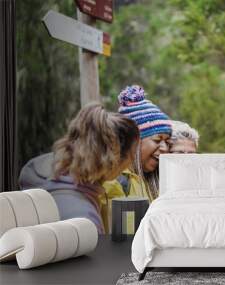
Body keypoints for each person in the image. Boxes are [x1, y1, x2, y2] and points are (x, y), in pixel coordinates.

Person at [43, 103, 140, 234]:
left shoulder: (48, 185)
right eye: (132, 155)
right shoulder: (85, 220)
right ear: (115, 159)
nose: (131, 163)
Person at [101, 85, 172, 231]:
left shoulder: (158, 180)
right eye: (157, 140)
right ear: (135, 142)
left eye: (167, 141)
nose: (165, 148)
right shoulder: (111, 181)